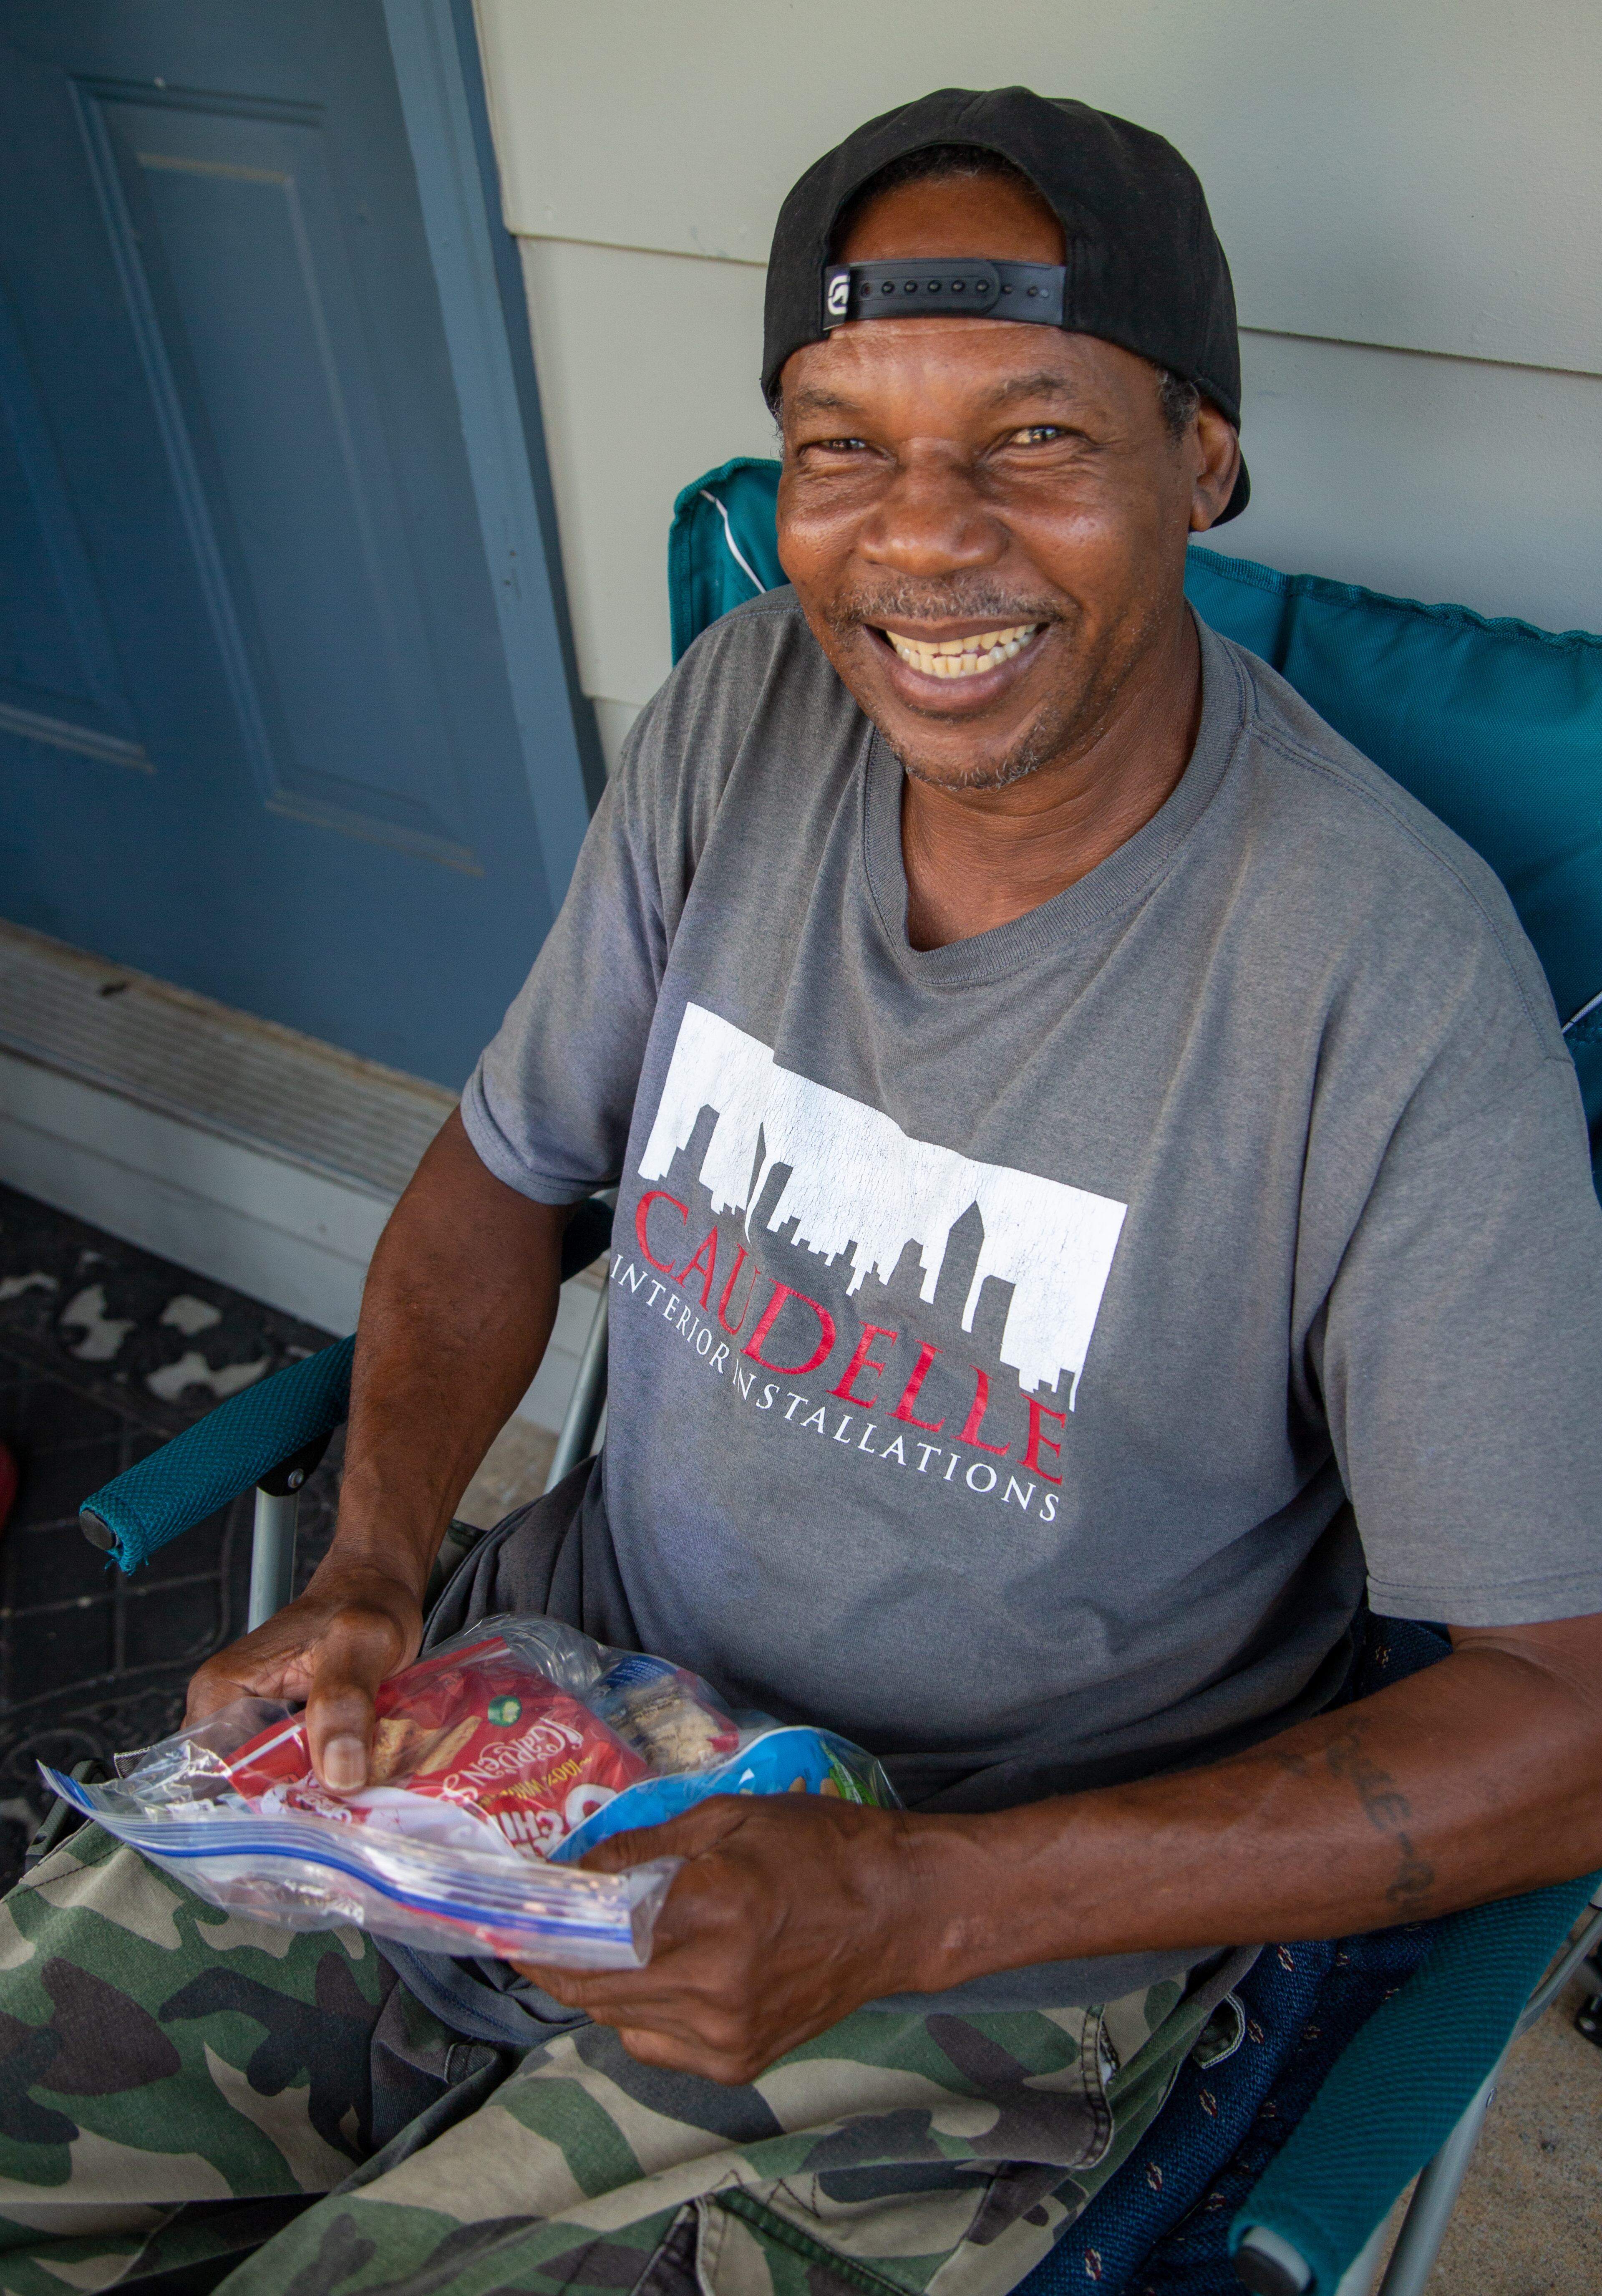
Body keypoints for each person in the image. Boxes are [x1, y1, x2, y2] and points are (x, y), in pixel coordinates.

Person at [3, 83, 1601, 2296]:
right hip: (536, 1716)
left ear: (1201, 459)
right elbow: (497, 1168)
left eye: (1034, 436)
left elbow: (1561, 1712)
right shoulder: (748, 704)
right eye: (843, 440)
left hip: (981, 1918)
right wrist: (375, 1568)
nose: (921, 539)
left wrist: (931, 1902)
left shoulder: (1387, 987)